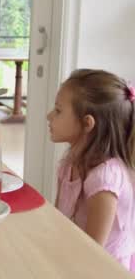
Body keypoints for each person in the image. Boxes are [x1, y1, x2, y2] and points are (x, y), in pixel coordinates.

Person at [48, 69, 135, 272]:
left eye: (58, 110)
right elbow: (58, 221)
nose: (49, 115)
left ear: (87, 123)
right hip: (75, 257)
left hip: (105, 269)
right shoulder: (68, 163)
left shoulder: (105, 178)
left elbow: (94, 252)